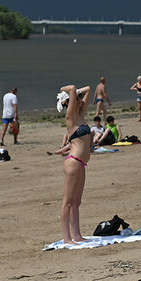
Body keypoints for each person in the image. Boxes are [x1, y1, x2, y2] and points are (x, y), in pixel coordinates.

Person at [58, 84, 92, 245]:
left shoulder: (81, 114)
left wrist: (78, 95)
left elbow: (88, 89)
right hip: (73, 162)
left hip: (81, 163)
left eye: (79, 97)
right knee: (68, 201)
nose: (80, 98)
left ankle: (77, 235)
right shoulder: (70, 117)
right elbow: (71, 88)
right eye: (77, 98)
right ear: (68, 103)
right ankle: (67, 238)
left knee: (77, 202)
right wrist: (70, 92)